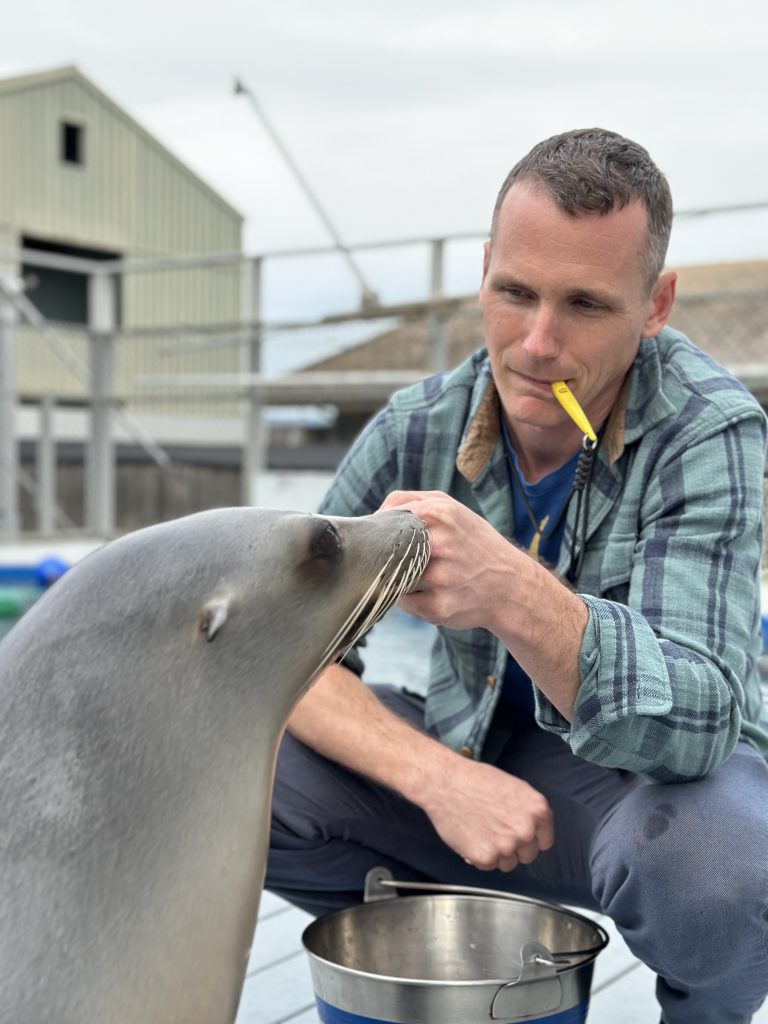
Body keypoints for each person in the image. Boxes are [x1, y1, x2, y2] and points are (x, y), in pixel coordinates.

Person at [266, 128, 768, 1024]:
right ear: (485, 269)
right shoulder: (414, 426)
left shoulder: (711, 429)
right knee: (238, 773)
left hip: (651, 792)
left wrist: (512, 589)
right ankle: (457, 955)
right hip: (474, 767)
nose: (538, 344)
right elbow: (282, 654)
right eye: (516, 293)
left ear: (655, 305)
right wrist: (437, 779)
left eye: (584, 303)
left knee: (713, 864)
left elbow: (699, 720)